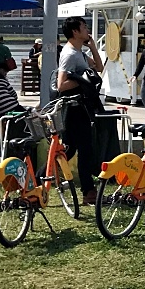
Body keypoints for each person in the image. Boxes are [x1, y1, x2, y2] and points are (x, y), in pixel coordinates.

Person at [57, 16, 105, 206]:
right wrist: (82, 79)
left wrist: (92, 46)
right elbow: (61, 85)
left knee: (74, 150)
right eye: (84, 27)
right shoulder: (69, 54)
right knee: (78, 150)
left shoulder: (79, 53)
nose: (87, 30)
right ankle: (88, 191)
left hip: (82, 108)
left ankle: (39, 178)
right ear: (75, 32)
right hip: (73, 109)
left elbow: (99, 67)